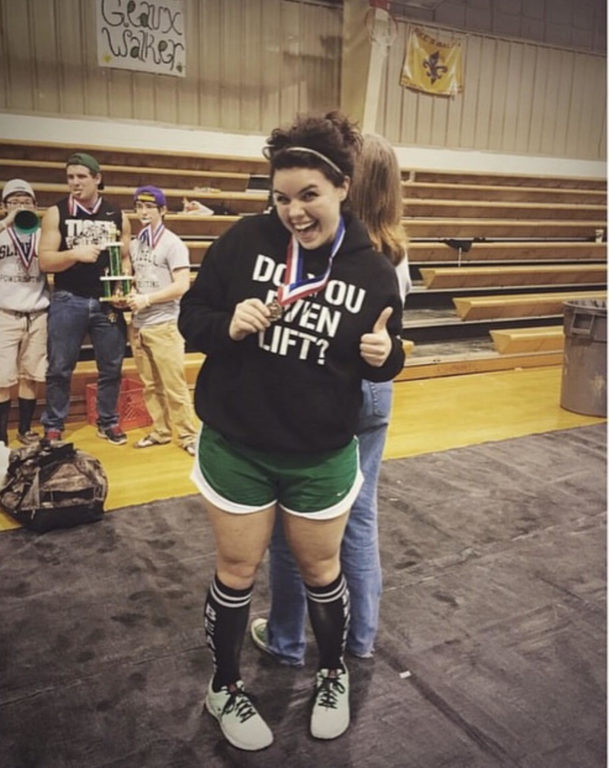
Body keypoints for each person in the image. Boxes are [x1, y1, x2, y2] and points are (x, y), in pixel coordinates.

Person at [178, 112, 405, 751]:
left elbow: (390, 357)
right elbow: (191, 319)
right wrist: (227, 323)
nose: (294, 212)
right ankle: (224, 686)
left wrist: (383, 355)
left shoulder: (370, 268)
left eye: (308, 195)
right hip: (238, 444)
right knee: (237, 570)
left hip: (319, 452)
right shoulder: (243, 241)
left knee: (321, 568)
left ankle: (331, 672)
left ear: (341, 187)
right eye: (281, 197)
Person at [249, 133, 412, 666]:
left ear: (347, 184)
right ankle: (360, 637)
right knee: (359, 517)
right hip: (375, 391)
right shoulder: (393, 247)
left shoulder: (336, 251)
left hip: (330, 386)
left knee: (295, 515)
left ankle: (287, 638)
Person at [38, 152, 131, 444]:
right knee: (59, 367)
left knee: (112, 366)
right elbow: (45, 261)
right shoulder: (57, 212)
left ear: (97, 178)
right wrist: (74, 254)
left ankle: (108, 420)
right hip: (69, 298)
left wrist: (122, 289)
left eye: (81, 177)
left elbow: (125, 259)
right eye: (70, 177)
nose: (75, 183)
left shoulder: (117, 214)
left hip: (106, 302)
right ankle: (54, 424)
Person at [126, 185, 198, 455]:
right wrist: (132, 294)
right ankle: (161, 431)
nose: (143, 212)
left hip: (166, 324)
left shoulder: (173, 244)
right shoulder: (135, 243)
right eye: (139, 207)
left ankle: (189, 435)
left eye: (149, 207)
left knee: (174, 385)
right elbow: (135, 278)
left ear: (163, 210)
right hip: (139, 324)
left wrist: (148, 299)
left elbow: (181, 286)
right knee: (149, 384)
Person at [0, 179, 49, 446]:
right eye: (14, 201)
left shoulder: (43, 234)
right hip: (5, 312)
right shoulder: (1, 232)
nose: (20, 206)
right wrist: (7, 222)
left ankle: (25, 429)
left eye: (25, 201)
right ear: (4, 205)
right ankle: (0, 437)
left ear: (35, 205)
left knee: (31, 374)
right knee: (1, 379)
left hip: (37, 312)